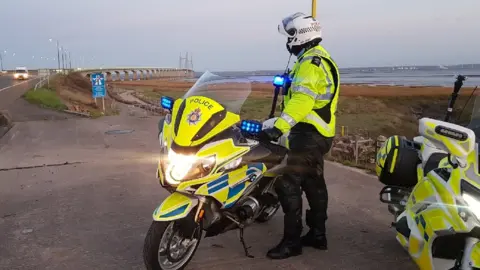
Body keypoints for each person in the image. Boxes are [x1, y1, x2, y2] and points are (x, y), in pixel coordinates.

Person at [258, 12, 340, 260]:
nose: (288, 40)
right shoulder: (319, 59)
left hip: (308, 134)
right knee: (314, 184)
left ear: (302, 34)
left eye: (291, 35)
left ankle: (292, 242)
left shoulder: (310, 64)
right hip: (319, 134)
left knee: (287, 183)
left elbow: (303, 100)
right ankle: (317, 234)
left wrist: (280, 126)